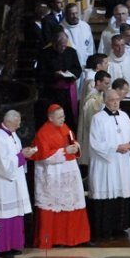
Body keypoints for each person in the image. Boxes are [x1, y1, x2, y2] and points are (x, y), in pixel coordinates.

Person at [31, 104, 90, 248]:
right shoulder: (43, 133)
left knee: (72, 203)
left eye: (63, 116)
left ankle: (75, 238)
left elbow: (72, 141)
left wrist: (76, 147)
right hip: (53, 176)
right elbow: (43, 156)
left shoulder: (66, 128)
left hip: (69, 173)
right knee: (54, 206)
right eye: (59, 117)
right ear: (50, 118)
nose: (63, 119)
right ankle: (56, 239)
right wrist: (65, 151)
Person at [0, 109, 38, 255]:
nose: (19, 126)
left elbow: (15, 154)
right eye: (17, 123)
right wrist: (22, 156)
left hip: (14, 182)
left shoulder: (12, 134)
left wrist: (24, 153)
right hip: (3, 184)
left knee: (15, 214)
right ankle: (2, 248)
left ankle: (14, 245)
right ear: (8, 122)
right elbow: (3, 164)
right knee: (4, 216)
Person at [88, 90, 130, 239]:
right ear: (105, 101)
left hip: (122, 162)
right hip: (106, 163)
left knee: (121, 193)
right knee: (108, 193)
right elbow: (95, 142)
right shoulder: (98, 118)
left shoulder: (125, 116)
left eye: (118, 99)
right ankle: (105, 230)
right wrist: (115, 148)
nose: (116, 102)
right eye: (112, 100)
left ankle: (120, 227)